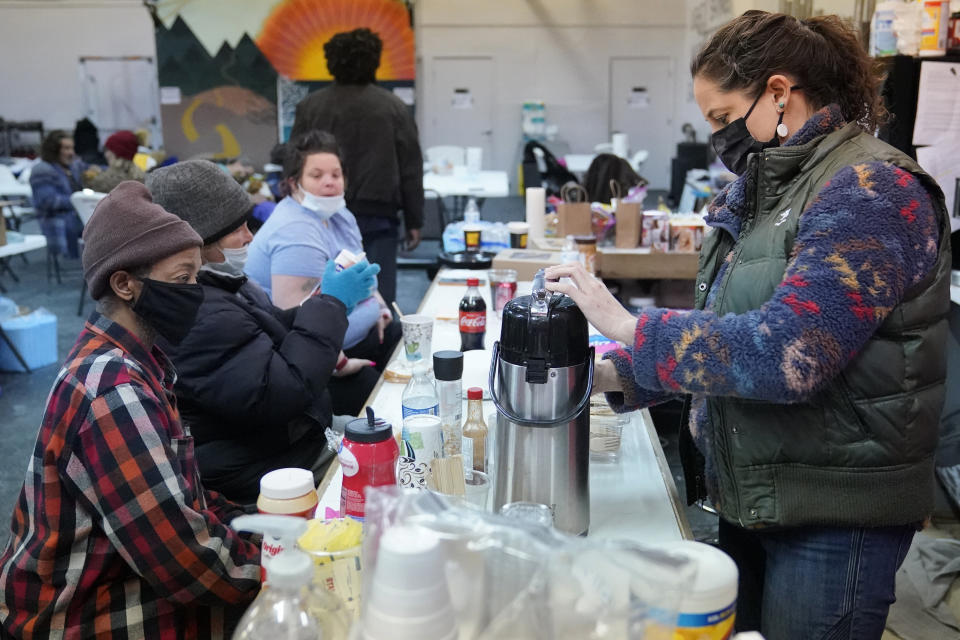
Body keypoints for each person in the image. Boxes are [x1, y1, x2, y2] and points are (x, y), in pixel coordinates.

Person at [546, 11, 951, 640]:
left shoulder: (871, 189)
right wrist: (602, 374)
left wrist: (629, 328)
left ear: (779, 92)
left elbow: (788, 353)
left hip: (831, 507)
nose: (717, 137)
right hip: (759, 488)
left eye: (721, 116)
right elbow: (727, 334)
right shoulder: (767, 193)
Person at [0, 181, 261, 638]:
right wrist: (278, 568)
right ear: (124, 284)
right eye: (182, 280)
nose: (194, 293)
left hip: (107, 580)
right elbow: (183, 559)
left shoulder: (134, 361)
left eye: (195, 279)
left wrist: (259, 530)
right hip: (75, 615)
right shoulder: (114, 391)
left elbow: (186, 499)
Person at [145, 160, 381, 503]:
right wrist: (330, 303)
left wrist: (327, 303)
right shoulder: (198, 312)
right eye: (237, 228)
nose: (249, 237)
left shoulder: (221, 285)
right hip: (262, 464)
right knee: (387, 463)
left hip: (282, 440)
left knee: (387, 431)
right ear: (197, 240)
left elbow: (266, 331)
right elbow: (284, 392)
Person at [289, 27, 424, 305]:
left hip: (320, 216)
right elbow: (411, 166)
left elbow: (293, 162)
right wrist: (415, 220)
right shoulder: (394, 107)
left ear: (331, 61)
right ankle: (382, 344)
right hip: (379, 218)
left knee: (324, 292)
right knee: (379, 294)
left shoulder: (310, 106)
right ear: (374, 60)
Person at [247, 130, 401, 371]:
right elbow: (299, 323)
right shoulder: (295, 229)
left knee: (403, 342)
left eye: (336, 174)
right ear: (293, 183)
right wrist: (340, 365)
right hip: (312, 358)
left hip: (352, 334)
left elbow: (363, 274)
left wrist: (381, 310)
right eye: (316, 175)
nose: (329, 181)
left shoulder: (340, 215)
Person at [29, 130, 85, 259]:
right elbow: (48, 201)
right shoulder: (42, 169)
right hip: (57, 219)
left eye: (72, 148)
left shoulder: (72, 167)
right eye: (66, 148)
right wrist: (79, 201)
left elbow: (93, 168)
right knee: (101, 230)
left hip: (75, 215)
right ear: (53, 149)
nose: (71, 152)